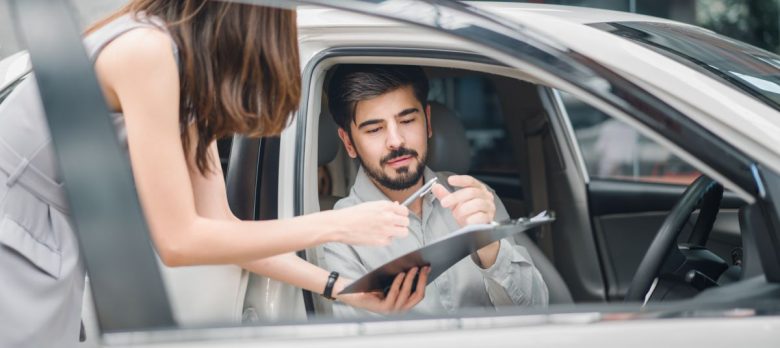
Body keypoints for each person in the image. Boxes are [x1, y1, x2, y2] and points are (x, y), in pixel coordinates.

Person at [0, 2, 425, 347]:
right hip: (17, 242)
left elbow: (223, 232)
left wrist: (342, 286)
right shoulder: (148, 51)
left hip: (47, 245)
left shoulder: (182, 71)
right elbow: (179, 241)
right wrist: (337, 224)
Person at [323, 64, 549, 317]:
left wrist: (490, 249)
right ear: (349, 143)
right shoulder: (340, 232)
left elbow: (537, 309)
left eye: (407, 120)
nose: (396, 141)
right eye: (375, 129)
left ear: (427, 122)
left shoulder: (473, 195)